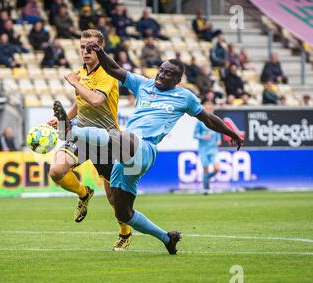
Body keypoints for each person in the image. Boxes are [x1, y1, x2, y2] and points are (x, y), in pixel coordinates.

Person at [52, 41, 244, 255]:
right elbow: (114, 69)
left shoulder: (185, 97)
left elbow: (207, 118)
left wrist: (231, 133)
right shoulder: (143, 84)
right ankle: (167, 238)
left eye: (168, 74)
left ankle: (71, 132)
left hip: (144, 150)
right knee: (124, 213)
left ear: (178, 80)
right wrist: (100, 51)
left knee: (123, 137)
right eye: (161, 70)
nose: (161, 75)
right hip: (126, 158)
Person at [47, 29, 133, 251]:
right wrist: (65, 117)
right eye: (82, 47)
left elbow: (94, 100)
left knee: (114, 199)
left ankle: (125, 233)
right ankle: (84, 193)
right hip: (81, 134)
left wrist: (76, 83)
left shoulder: (108, 74)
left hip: (106, 140)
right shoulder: (81, 73)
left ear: (100, 48)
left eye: (90, 47)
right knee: (56, 171)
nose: (85, 51)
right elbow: (81, 103)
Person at [193, 101, 221, 194]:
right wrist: (202, 137)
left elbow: (218, 130)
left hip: (213, 148)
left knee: (216, 168)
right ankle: (206, 188)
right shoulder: (200, 121)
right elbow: (195, 134)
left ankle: (207, 178)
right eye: (207, 106)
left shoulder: (215, 119)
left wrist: (218, 139)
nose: (209, 107)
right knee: (206, 168)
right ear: (205, 108)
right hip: (203, 149)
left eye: (211, 106)